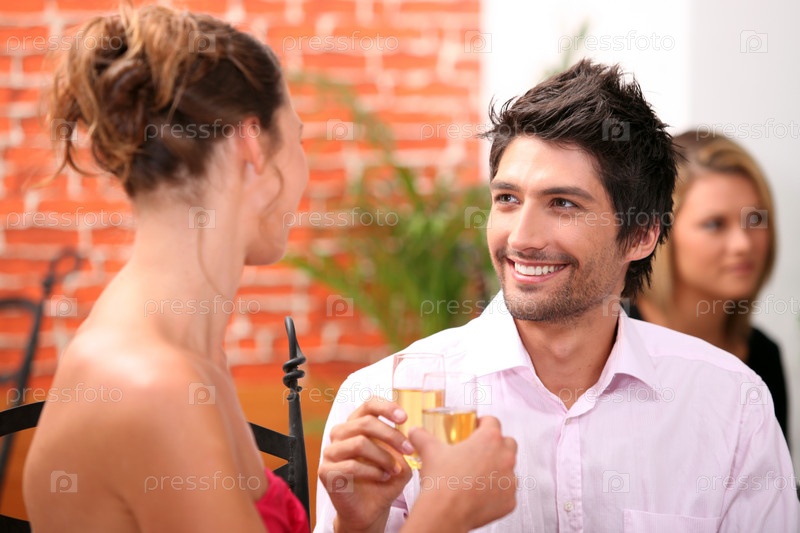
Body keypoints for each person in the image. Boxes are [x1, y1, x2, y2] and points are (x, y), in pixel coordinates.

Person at [22, 4, 517, 533]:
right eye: (296, 138)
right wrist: (443, 513)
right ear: (252, 144)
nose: (302, 168)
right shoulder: (153, 385)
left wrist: (356, 524)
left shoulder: (189, 353)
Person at [315, 60, 798, 532]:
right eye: (507, 199)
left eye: (562, 204)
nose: (521, 238)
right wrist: (358, 529)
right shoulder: (383, 400)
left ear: (641, 235)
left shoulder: (732, 406)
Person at [632, 131, 789, 442]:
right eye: (715, 224)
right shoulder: (613, 344)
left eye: (755, 219)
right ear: (659, 233)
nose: (743, 244)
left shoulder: (762, 355)